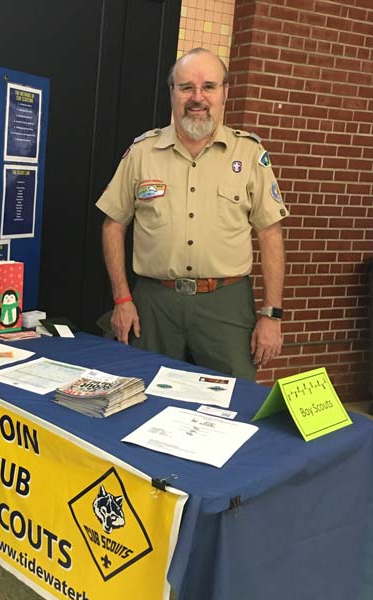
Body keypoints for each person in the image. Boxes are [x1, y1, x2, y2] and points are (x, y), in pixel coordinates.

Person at [96, 48, 288, 380]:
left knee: (232, 401)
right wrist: (122, 298)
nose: (197, 98)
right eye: (186, 87)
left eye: (208, 87)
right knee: (143, 393)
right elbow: (113, 225)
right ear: (172, 93)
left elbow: (270, 235)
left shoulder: (250, 154)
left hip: (225, 304)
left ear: (225, 92)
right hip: (154, 304)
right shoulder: (142, 153)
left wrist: (271, 315)